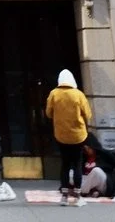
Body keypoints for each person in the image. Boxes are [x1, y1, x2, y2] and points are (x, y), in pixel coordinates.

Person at [46, 68, 92, 207]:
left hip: (61, 135)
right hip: (78, 135)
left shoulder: (54, 94)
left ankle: (65, 196)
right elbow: (88, 114)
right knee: (77, 164)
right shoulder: (78, 94)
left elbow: (48, 113)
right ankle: (78, 196)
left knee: (65, 165)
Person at [80, 132, 115, 198]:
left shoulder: (105, 154)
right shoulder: (84, 157)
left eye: (88, 148)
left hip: (102, 181)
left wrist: (113, 180)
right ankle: (92, 191)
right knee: (72, 173)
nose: (86, 151)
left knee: (96, 171)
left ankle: (81, 191)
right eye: (85, 149)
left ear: (93, 146)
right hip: (88, 181)